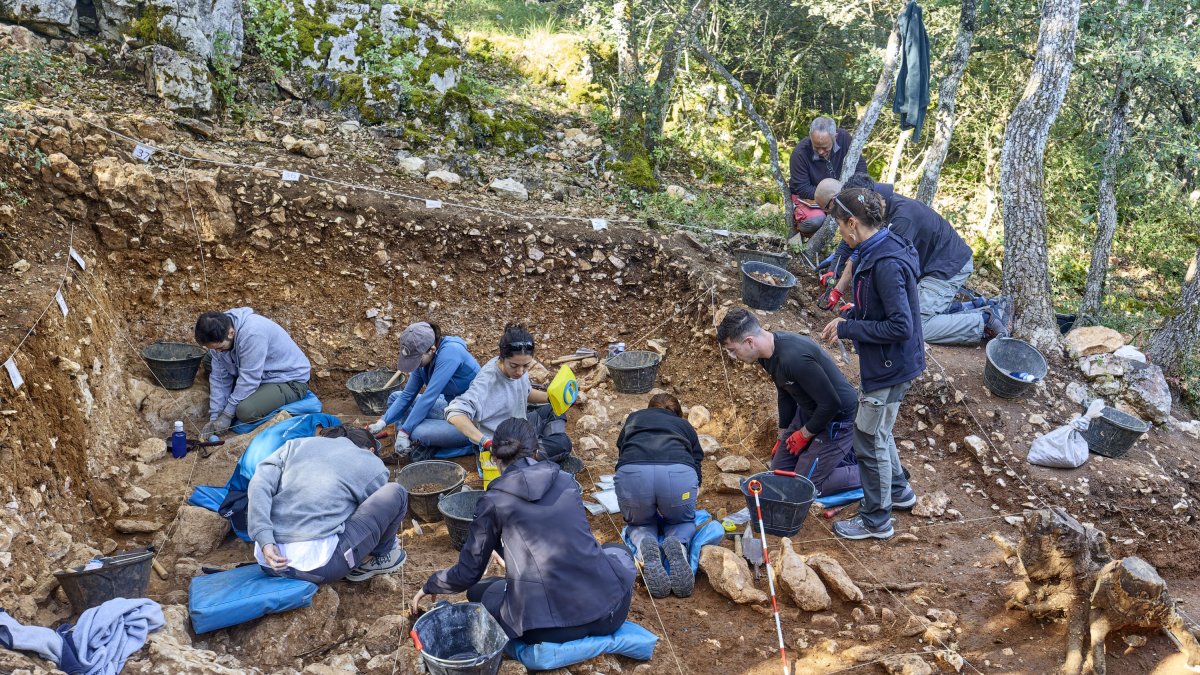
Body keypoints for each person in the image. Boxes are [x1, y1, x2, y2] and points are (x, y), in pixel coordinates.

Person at [411, 418, 636, 644]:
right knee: (615, 550)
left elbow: (468, 573)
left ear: (493, 458)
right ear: (537, 452)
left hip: (546, 629)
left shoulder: (494, 500)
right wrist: (505, 548)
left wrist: (431, 583)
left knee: (480, 592)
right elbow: (566, 536)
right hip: (610, 612)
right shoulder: (565, 481)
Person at [819, 187, 925, 540]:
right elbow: (885, 309)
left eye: (838, 224)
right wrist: (859, 312)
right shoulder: (879, 246)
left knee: (867, 437)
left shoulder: (886, 261)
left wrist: (850, 327)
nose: (839, 232)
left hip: (890, 365)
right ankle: (898, 491)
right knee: (878, 430)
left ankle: (876, 519)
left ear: (852, 222)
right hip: (891, 360)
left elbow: (900, 325)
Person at [814, 175, 1012, 345]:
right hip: (927, 266)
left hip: (947, 267)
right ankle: (968, 307)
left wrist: (862, 309)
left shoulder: (902, 219)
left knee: (914, 327)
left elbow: (884, 268)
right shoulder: (877, 208)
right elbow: (852, 247)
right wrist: (836, 282)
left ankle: (984, 320)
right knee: (908, 309)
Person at [716, 308, 862, 498]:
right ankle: (827, 457)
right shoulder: (765, 356)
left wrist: (804, 434)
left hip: (838, 419)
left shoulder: (794, 359)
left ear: (749, 342)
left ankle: (873, 472)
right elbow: (785, 392)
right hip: (811, 410)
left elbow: (831, 404)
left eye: (733, 350)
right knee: (779, 474)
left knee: (805, 486)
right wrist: (782, 434)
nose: (733, 357)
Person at [247, 425, 409, 583]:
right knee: (396, 492)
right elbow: (375, 513)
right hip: (320, 568)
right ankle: (373, 560)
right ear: (371, 450)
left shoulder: (296, 444)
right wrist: (388, 543)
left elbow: (258, 485)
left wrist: (264, 539)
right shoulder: (371, 462)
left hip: (268, 561)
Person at [613, 393, 703, 599]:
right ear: (677, 413)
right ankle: (678, 544)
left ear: (650, 408)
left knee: (640, 523)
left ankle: (645, 546)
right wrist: (694, 487)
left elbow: (622, 451)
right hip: (678, 475)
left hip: (633, 474)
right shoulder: (684, 426)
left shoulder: (634, 418)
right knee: (682, 520)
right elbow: (696, 460)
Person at [444, 323, 572, 465]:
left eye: (526, 366)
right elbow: (454, 413)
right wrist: (485, 442)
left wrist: (552, 398)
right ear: (502, 357)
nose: (520, 372)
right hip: (505, 445)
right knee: (562, 443)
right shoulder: (487, 381)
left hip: (520, 427)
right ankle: (528, 457)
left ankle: (537, 449)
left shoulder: (518, 364)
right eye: (514, 366)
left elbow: (526, 393)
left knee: (555, 408)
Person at [367, 321, 480, 460]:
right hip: (450, 406)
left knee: (418, 432)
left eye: (417, 360)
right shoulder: (424, 361)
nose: (416, 365)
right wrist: (381, 422)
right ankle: (410, 443)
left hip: (471, 418)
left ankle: (469, 445)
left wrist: (405, 431)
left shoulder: (451, 353)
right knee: (396, 397)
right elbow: (407, 395)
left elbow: (429, 397)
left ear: (432, 349)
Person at [195, 308, 311, 437]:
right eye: (214, 348)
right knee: (209, 360)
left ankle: (266, 397)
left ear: (231, 333)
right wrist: (215, 416)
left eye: (220, 348)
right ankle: (247, 396)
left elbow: (249, 380)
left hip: (287, 379)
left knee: (245, 411)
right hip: (259, 372)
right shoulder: (220, 328)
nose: (218, 352)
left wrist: (227, 414)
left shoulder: (253, 334)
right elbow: (218, 377)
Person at [789, 116, 869, 202]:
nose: (820, 152)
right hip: (809, 198)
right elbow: (803, 189)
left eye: (825, 147)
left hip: (843, 194)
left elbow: (860, 167)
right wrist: (833, 197)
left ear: (835, 137)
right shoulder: (799, 153)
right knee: (819, 216)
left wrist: (851, 190)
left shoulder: (844, 139)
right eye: (816, 147)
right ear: (810, 136)